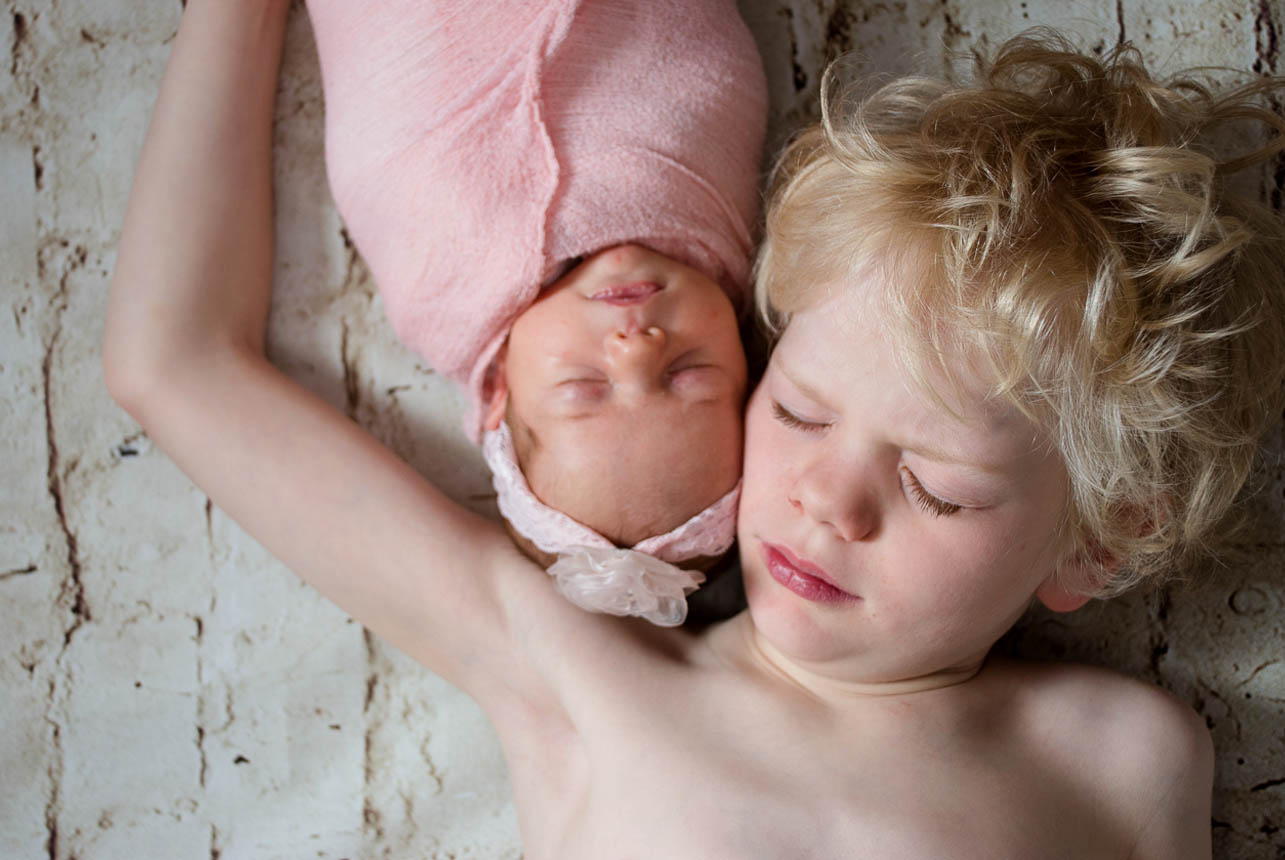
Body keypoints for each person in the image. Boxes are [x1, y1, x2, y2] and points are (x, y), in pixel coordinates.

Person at [104, 2, 1285, 856]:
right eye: (800, 408)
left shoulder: (1125, 754)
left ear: (1101, 540)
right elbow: (178, 363)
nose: (826, 497)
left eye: (935, 484)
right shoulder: (577, 674)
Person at [301, 0, 768, 626]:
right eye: (690, 375)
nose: (637, 347)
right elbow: (707, 64)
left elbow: (385, 129)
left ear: (499, 389)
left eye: (584, 387)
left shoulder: (442, 275)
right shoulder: (724, 222)